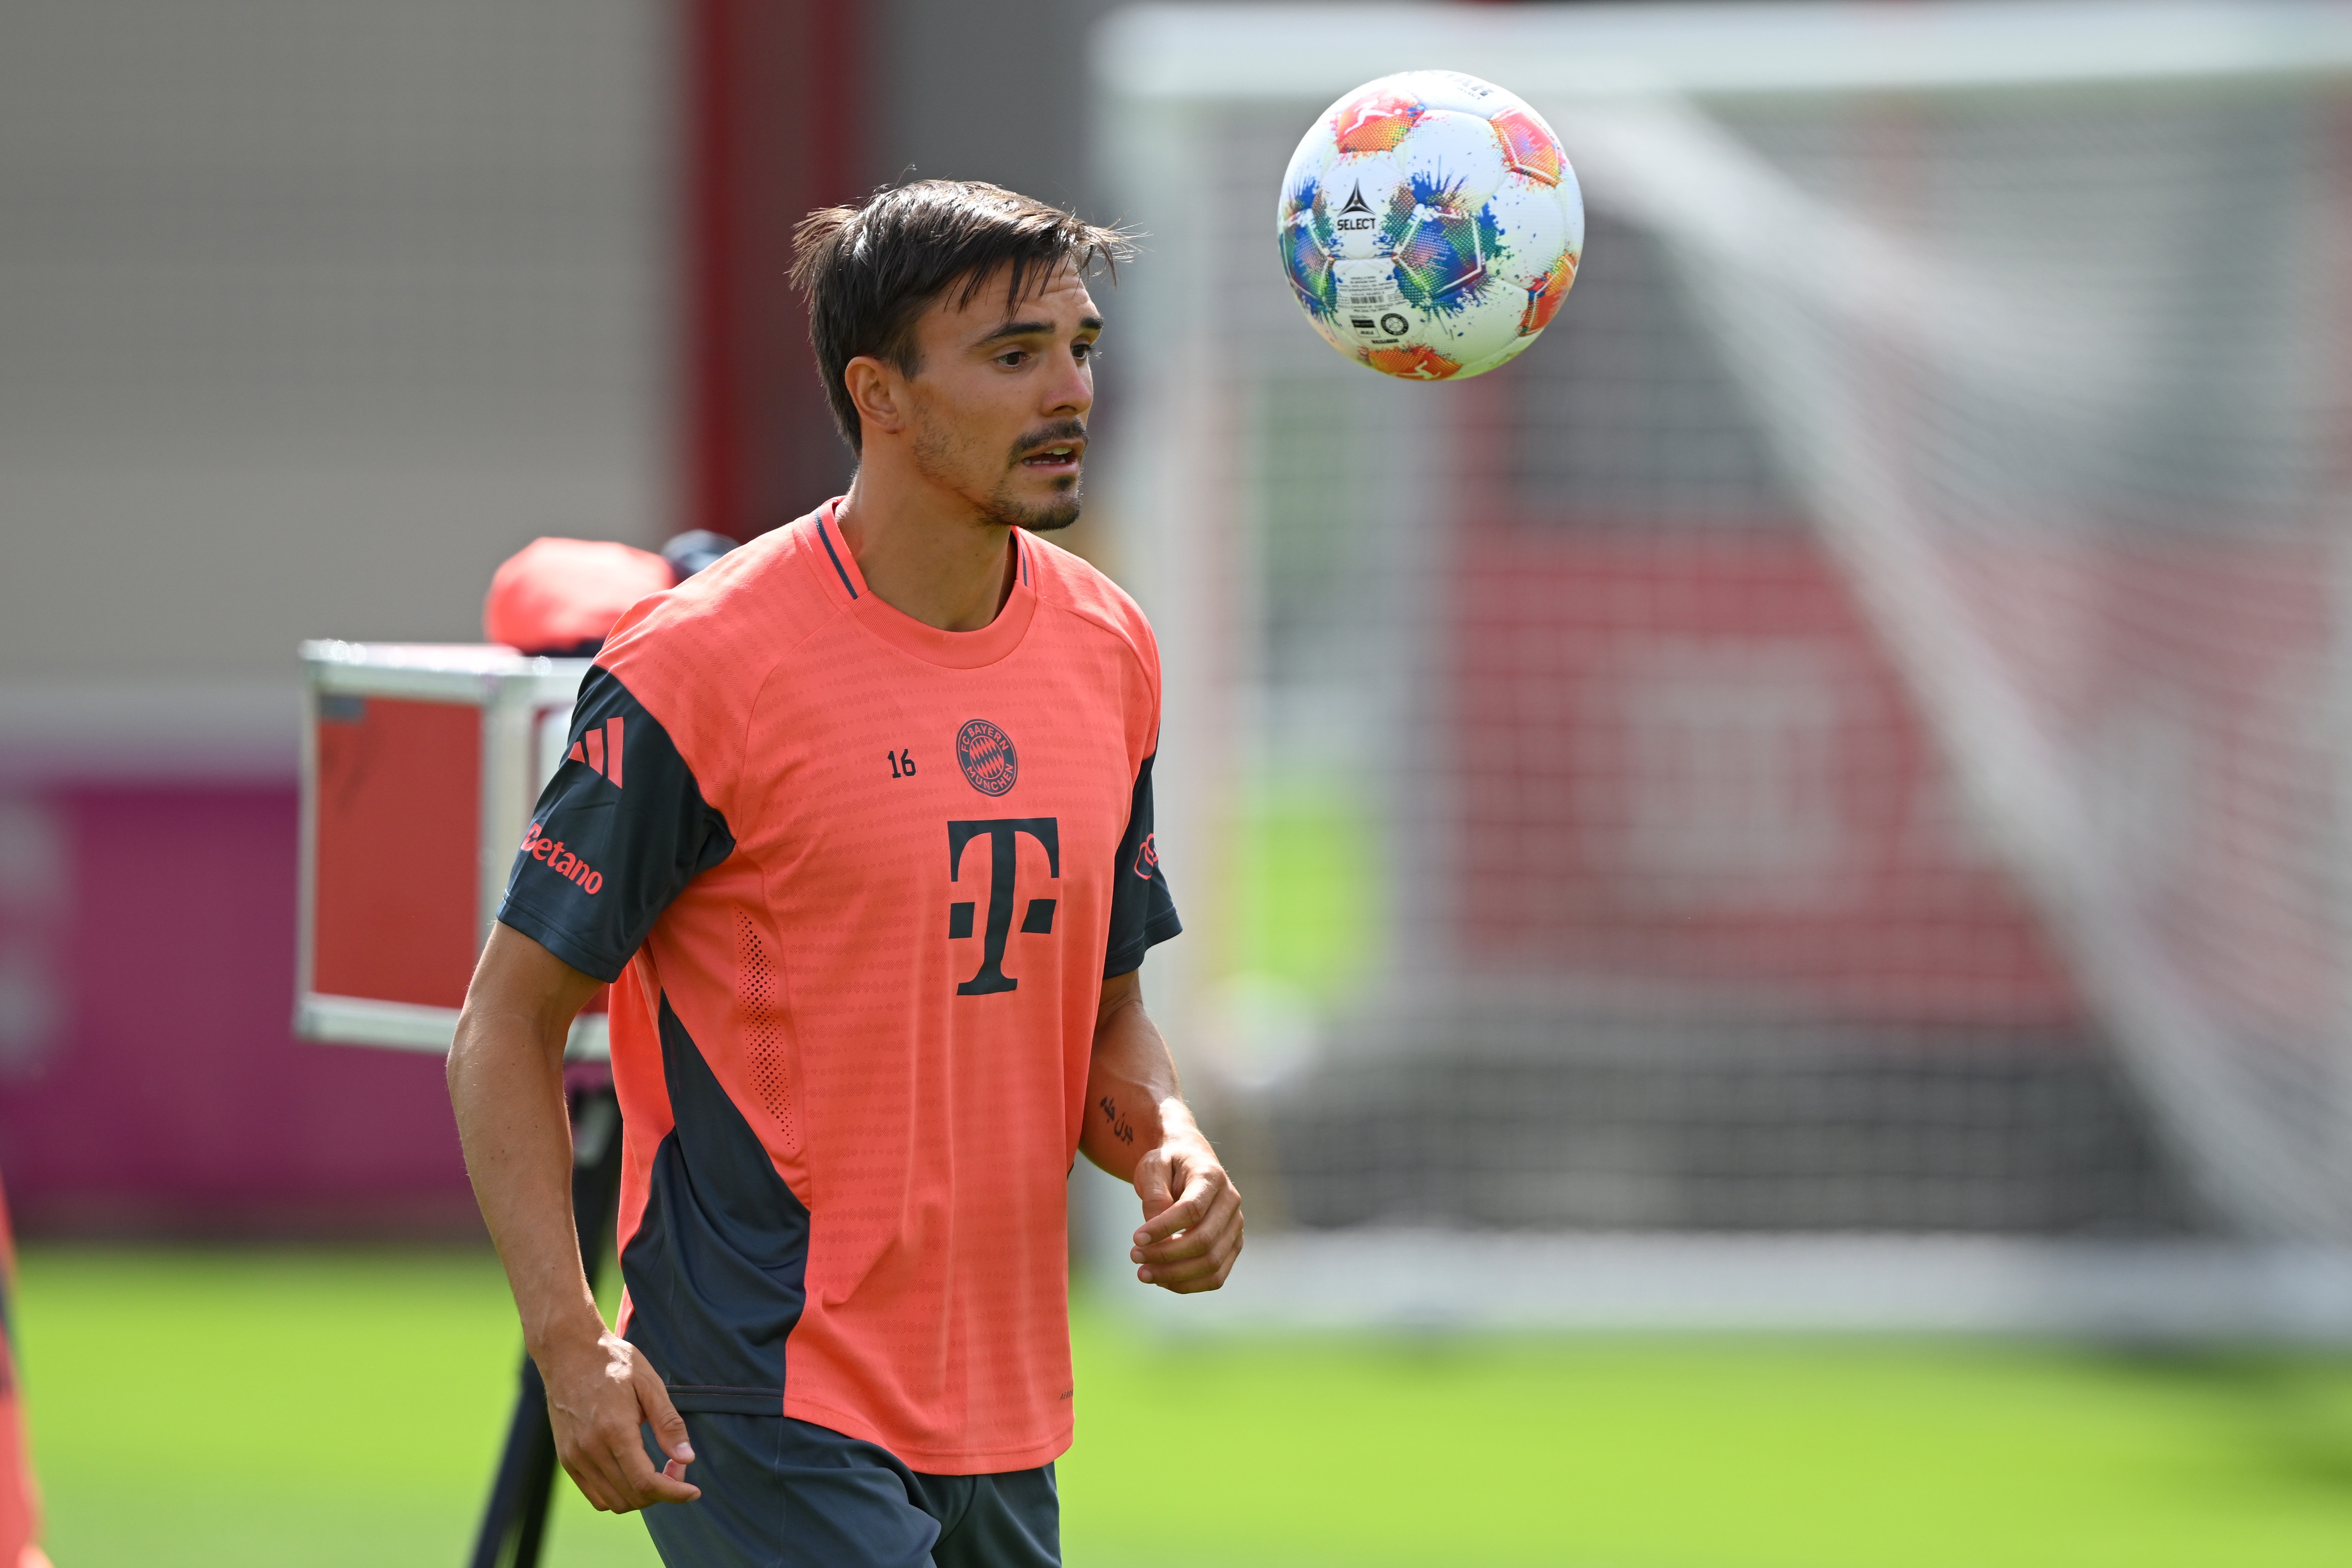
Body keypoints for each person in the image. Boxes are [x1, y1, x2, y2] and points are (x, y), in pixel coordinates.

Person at [447, 179, 1244, 1568]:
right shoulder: (700, 665)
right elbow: (504, 1025)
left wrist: (1169, 1145)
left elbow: (1105, 1016)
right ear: (879, 393)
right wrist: (571, 1345)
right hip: (763, 1384)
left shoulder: (1110, 648)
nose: (1069, 390)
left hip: (1000, 1405)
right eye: (1014, 354)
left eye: (1081, 347)